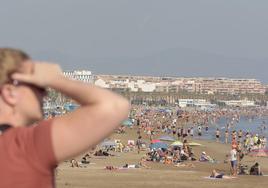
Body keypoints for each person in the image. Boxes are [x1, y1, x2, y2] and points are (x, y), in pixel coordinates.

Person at [0, 48, 130, 187]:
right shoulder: (23, 146)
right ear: (10, 93)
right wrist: (55, 79)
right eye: (39, 86)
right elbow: (115, 106)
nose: (45, 95)